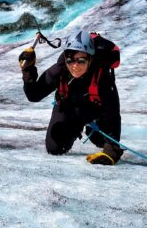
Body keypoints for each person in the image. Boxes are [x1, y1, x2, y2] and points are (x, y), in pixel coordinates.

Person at [20, 29, 123, 166]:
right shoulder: (59, 70)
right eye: (70, 60)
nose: (75, 66)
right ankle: (77, 127)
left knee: (100, 141)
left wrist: (111, 152)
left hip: (95, 112)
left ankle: (93, 130)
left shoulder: (102, 77)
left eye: (81, 60)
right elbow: (34, 95)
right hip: (68, 109)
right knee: (54, 148)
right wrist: (28, 70)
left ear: (90, 58)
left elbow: (112, 113)